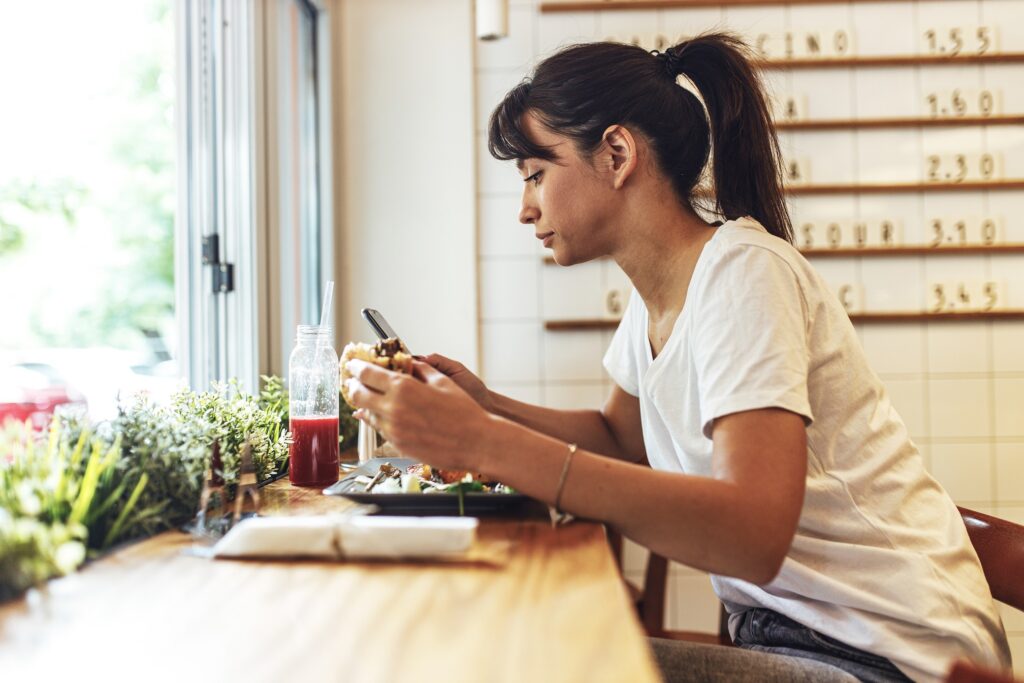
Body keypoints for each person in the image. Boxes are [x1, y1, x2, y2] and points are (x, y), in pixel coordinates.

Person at [344, 33, 1011, 682]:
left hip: (883, 656)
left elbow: (753, 531)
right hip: (807, 639)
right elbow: (620, 440)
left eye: (536, 174)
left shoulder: (745, 275)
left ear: (615, 153)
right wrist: (484, 406)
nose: (525, 208)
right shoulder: (659, 298)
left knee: (522, 655)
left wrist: (488, 443)